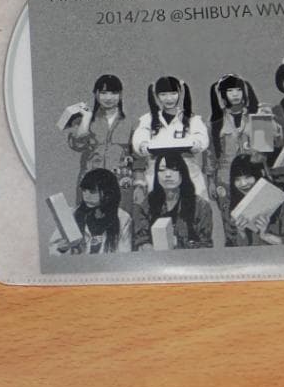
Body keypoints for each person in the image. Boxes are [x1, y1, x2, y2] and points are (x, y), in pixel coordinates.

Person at [131, 76, 210, 199]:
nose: (169, 99)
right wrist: (143, 145)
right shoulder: (147, 119)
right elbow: (139, 138)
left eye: (173, 94)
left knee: (192, 207)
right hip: (157, 174)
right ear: (157, 96)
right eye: (163, 94)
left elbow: (201, 138)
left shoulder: (192, 119)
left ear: (180, 93)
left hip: (189, 173)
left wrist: (196, 144)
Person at [66, 74, 136, 210]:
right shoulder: (84, 120)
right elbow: (77, 145)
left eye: (114, 93)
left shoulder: (131, 122)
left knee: (121, 218)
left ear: (121, 95)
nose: (108, 98)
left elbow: (138, 156)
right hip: (91, 180)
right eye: (103, 93)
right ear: (96, 94)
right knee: (88, 218)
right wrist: (87, 117)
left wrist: (139, 181)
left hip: (120, 181)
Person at [205, 74, 263, 227]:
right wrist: (210, 181)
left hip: (252, 174)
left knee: (258, 219)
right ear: (224, 94)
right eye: (230, 91)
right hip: (225, 177)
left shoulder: (256, 114)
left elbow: (266, 148)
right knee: (231, 220)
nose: (235, 94)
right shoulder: (215, 120)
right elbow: (210, 152)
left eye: (238, 90)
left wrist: (265, 120)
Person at [134, 152, 214, 249]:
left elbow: (205, 244)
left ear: (182, 172)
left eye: (174, 169)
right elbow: (141, 238)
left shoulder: (201, 206)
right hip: (157, 257)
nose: (168, 175)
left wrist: (179, 243)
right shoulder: (147, 204)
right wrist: (146, 246)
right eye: (162, 170)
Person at [225, 154, 284, 246]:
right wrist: (242, 233)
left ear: (260, 175)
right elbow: (235, 250)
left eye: (248, 177)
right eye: (237, 180)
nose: (243, 184)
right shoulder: (235, 209)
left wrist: (266, 236)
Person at [49, 168, 132, 254]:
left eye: (92, 191)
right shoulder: (71, 214)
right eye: (84, 191)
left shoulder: (123, 218)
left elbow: (125, 253)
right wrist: (62, 249)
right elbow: (52, 251)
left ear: (108, 192)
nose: (86, 196)